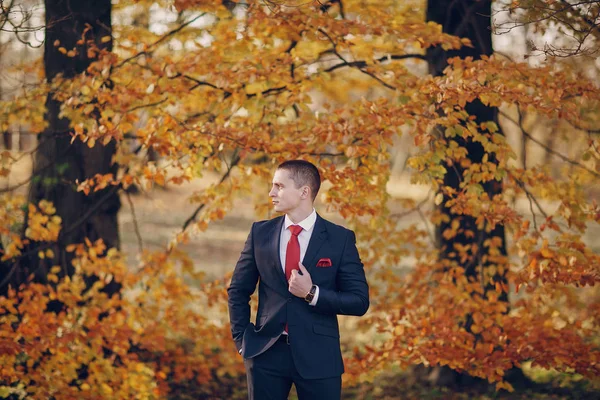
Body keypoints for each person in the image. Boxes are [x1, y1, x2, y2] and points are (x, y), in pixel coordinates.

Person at [227, 159, 370, 400]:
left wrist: (312, 293)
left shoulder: (340, 239)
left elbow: (359, 301)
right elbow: (238, 291)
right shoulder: (260, 233)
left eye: (279, 186)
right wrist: (243, 341)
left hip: (320, 357)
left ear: (304, 192)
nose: (271, 192)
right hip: (264, 354)